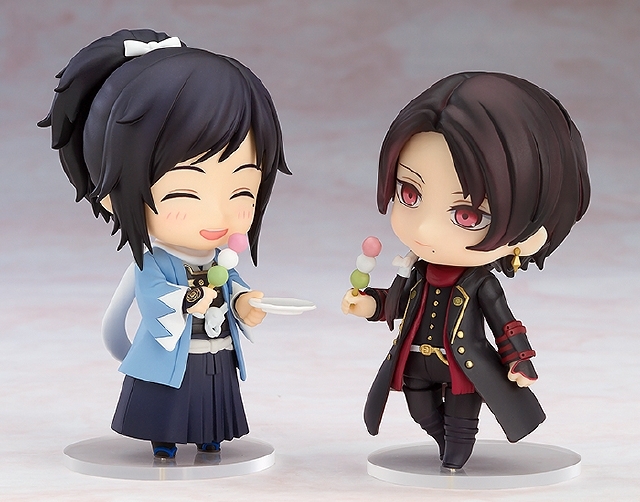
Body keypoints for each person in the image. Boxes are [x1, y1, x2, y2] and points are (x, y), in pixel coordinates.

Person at [39, 29, 290, 459]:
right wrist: (189, 299)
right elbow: (153, 298)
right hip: (171, 355)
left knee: (214, 396)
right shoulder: (155, 261)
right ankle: (164, 440)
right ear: (114, 192)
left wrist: (244, 303)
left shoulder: (221, 258)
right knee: (168, 401)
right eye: (186, 193)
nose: (219, 214)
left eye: (241, 192)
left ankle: (211, 435)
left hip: (214, 353)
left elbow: (232, 288)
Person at [342, 72, 589, 470]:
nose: (425, 230)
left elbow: (505, 323)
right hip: (415, 363)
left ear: (530, 235)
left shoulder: (480, 283)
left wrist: (519, 360)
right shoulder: (415, 271)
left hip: (463, 368)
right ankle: (445, 448)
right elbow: (399, 304)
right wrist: (369, 304)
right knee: (421, 412)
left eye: (467, 215)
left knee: (460, 428)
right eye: (410, 194)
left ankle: (454, 459)